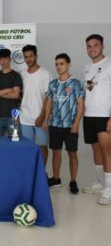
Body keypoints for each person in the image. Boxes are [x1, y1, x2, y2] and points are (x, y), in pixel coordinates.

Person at [43, 53, 85, 194]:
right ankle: (56, 179)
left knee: (72, 153)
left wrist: (76, 124)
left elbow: (81, 105)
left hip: (70, 126)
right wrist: (45, 120)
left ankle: (73, 181)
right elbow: (49, 104)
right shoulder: (53, 84)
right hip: (55, 124)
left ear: (68, 64)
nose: (58, 66)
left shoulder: (76, 83)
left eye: (61, 63)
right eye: (56, 64)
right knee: (56, 152)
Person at [81, 34, 111, 204]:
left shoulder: (109, 64)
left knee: (107, 151)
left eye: (95, 45)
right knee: (96, 150)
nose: (92, 49)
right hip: (89, 114)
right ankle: (101, 183)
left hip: (104, 114)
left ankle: (109, 188)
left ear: (102, 46)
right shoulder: (87, 67)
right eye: (89, 46)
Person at [20, 45, 51, 165]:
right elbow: (20, 96)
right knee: (28, 148)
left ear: (36, 56)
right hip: (25, 118)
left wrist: (42, 117)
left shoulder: (45, 74)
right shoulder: (22, 74)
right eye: (26, 57)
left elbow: (48, 98)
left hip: (40, 118)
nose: (29, 59)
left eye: (31, 56)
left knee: (42, 146)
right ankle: (31, 173)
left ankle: (42, 174)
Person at [0, 48, 22, 136]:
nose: (3, 61)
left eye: (5, 58)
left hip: (13, 116)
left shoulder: (16, 76)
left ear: (10, 59)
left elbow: (15, 95)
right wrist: (7, 90)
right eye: (1, 59)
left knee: (15, 145)